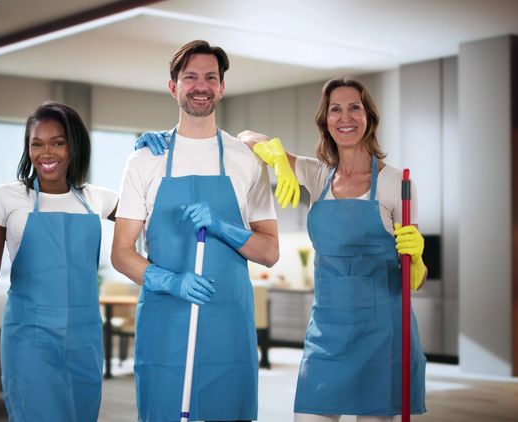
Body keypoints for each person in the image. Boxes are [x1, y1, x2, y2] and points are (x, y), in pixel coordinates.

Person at [238, 77, 428, 421]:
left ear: (368, 116)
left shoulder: (396, 183)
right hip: (327, 331)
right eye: (335, 109)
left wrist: (415, 258)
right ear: (325, 120)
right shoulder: (317, 174)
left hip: (382, 334)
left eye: (354, 107)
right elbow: (245, 138)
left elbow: (415, 281)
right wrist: (277, 157)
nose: (346, 117)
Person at [111, 40, 279, 422]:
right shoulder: (144, 158)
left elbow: (269, 252)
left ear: (221, 87)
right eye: (190, 77)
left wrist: (222, 227)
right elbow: (121, 252)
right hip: (165, 320)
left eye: (210, 77)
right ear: (174, 87)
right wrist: (171, 282)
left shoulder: (247, 160)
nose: (200, 85)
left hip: (228, 324)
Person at [0, 101, 118, 422]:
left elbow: (148, 215)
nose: (47, 153)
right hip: (31, 336)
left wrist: (156, 158)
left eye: (58, 143)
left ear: (74, 146)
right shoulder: (6, 198)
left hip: (85, 335)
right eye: (37, 144)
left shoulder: (98, 198)